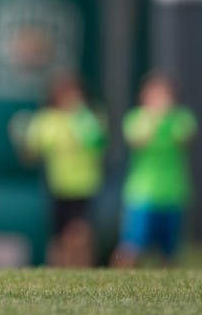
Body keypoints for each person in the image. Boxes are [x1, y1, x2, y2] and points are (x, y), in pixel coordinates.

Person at [17, 73, 106, 267]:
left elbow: (98, 142)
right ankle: (59, 271)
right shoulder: (47, 120)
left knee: (80, 233)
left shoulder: (89, 117)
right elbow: (31, 153)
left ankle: (83, 271)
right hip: (57, 187)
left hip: (84, 185)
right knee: (58, 236)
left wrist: (79, 118)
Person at [112, 71, 196, 267]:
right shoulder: (135, 118)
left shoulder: (181, 119)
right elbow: (137, 141)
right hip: (142, 194)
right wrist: (155, 118)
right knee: (131, 246)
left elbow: (185, 139)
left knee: (169, 251)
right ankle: (116, 280)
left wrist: (166, 119)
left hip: (173, 194)